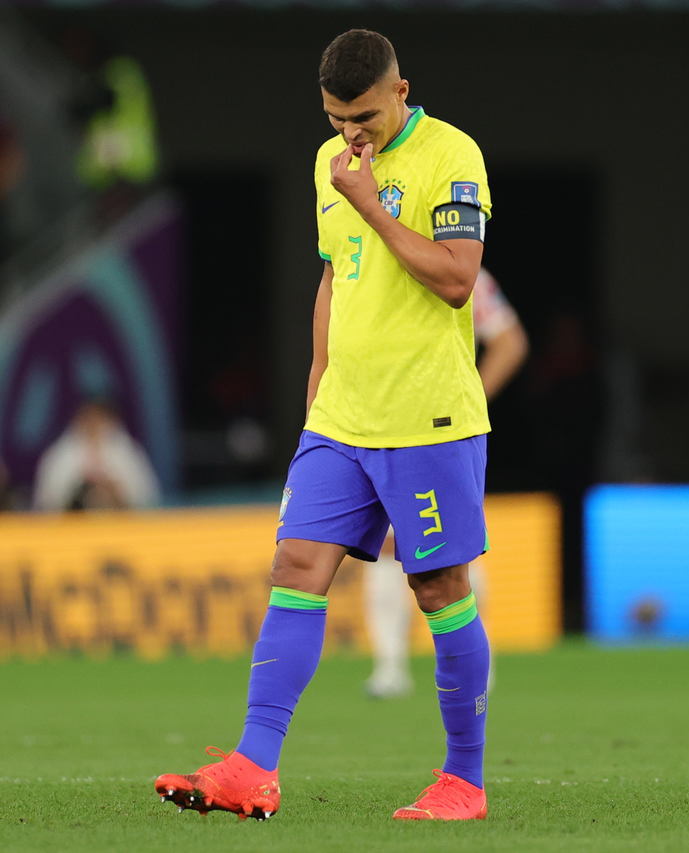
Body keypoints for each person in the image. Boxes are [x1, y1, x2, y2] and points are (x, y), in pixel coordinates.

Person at [155, 29, 494, 821]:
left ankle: (464, 781)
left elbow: (455, 278)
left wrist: (372, 205)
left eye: (366, 117)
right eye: (337, 117)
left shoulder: (453, 156)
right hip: (343, 413)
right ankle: (251, 765)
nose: (351, 133)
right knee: (296, 565)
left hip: (427, 416)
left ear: (401, 91)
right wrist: (318, 375)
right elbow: (335, 270)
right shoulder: (327, 164)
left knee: (438, 585)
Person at [364, 266, 527, 699]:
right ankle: (390, 668)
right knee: (385, 547)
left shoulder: (458, 269)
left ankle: (472, 665)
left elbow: (509, 341)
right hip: (375, 425)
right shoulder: (362, 266)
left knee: (456, 549)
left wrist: (470, 399)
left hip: (441, 427)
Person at [32, 398, 160, 512]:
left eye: (99, 417)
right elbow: (49, 499)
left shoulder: (126, 451)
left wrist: (112, 489)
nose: (94, 422)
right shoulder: (61, 453)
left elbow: (145, 495)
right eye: (89, 417)